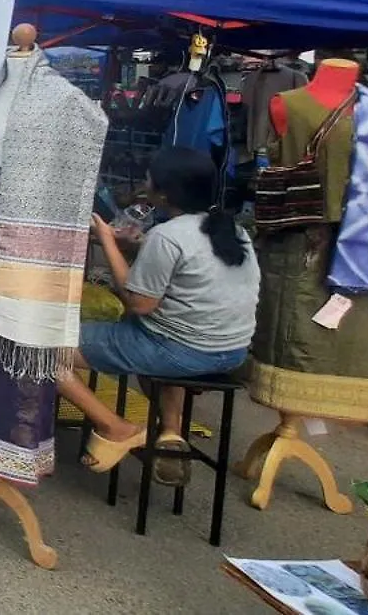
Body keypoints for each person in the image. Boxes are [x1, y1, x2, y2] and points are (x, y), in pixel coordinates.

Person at [59, 147, 260, 484]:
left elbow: (139, 303)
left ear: (164, 193)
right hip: (232, 351)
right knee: (156, 332)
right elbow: (184, 269)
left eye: (149, 178)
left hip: (180, 350)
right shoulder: (232, 230)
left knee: (37, 350)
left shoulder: (167, 236)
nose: (144, 183)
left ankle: (114, 427)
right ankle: (171, 431)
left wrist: (108, 240)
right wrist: (133, 245)